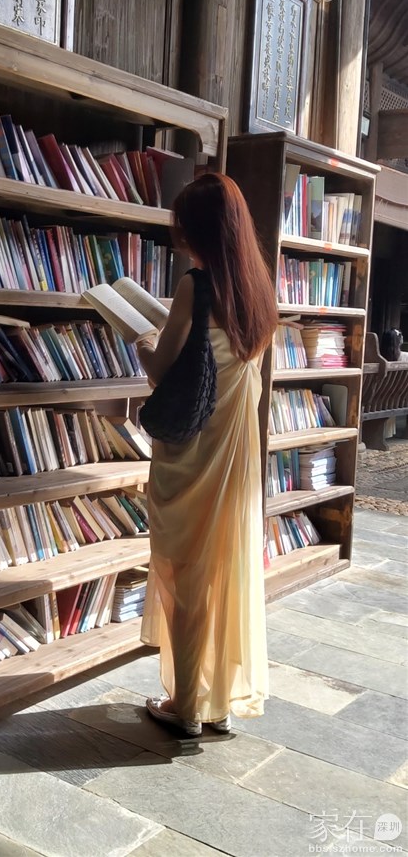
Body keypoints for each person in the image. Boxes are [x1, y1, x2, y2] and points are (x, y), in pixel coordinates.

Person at [136, 172, 277, 737]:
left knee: (185, 573)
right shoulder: (258, 289)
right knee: (222, 570)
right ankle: (216, 700)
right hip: (236, 450)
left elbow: (161, 372)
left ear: (196, 231)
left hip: (194, 451)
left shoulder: (195, 286)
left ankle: (186, 706)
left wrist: (141, 343)